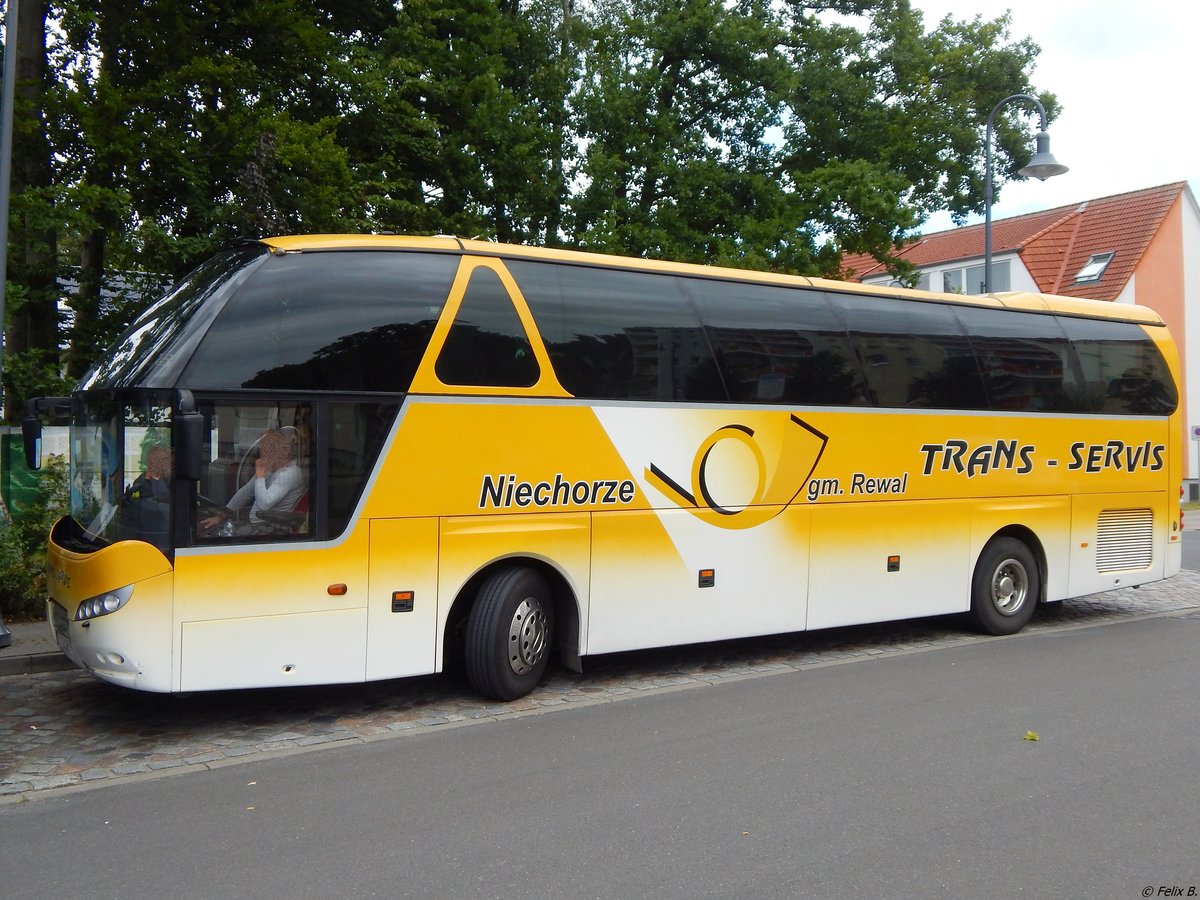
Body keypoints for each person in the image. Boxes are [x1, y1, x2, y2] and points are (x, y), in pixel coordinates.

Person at [200, 429, 305, 533]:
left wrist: (260, 475)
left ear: (279, 453)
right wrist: (220, 516)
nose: (262, 456)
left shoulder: (289, 473)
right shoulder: (271, 468)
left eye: (265, 452)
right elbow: (246, 492)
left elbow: (264, 504)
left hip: (272, 527)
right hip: (257, 523)